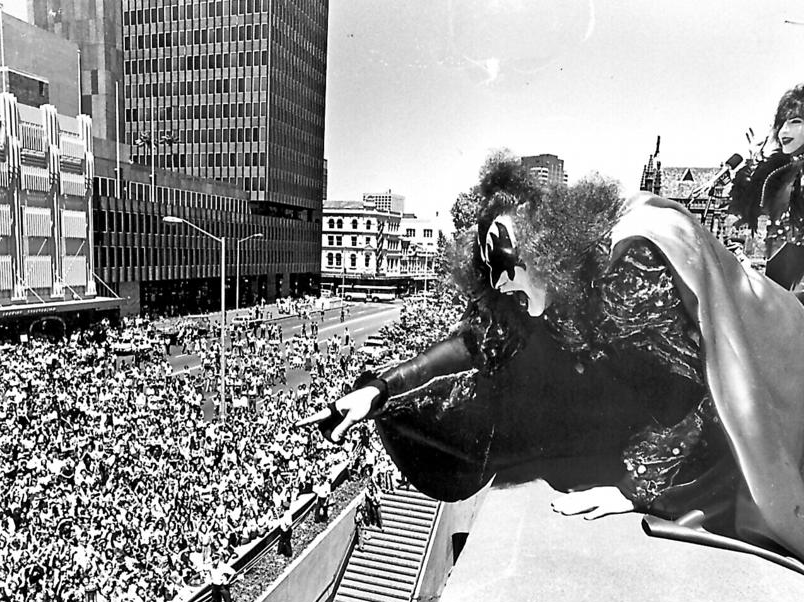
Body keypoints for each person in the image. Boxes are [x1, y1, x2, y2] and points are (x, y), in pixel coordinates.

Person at [299, 149, 804, 574]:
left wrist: (636, 487)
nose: (499, 284)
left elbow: (705, 391)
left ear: (546, 243)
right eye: (488, 272)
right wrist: (378, 389)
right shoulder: (543, 292)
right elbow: (474, 343)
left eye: (503, 265)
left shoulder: (628, 270)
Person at [729, 83, 804, 290]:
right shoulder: (780, 173)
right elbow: (751, 211)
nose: (784, 131)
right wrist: (752, 167)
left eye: (795, 121)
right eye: (781, 124)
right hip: (779, 280)